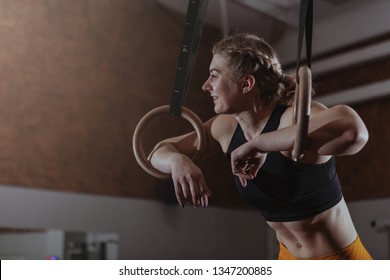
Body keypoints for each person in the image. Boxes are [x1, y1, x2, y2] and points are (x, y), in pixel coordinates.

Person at [149, 33, 372, 260]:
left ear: (246, 84)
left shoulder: (292, 119)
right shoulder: (225, 128)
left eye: (214, 76)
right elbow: (158, 152)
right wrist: (178, 161)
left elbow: (354, 131)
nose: (206, 86)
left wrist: (258, 144)